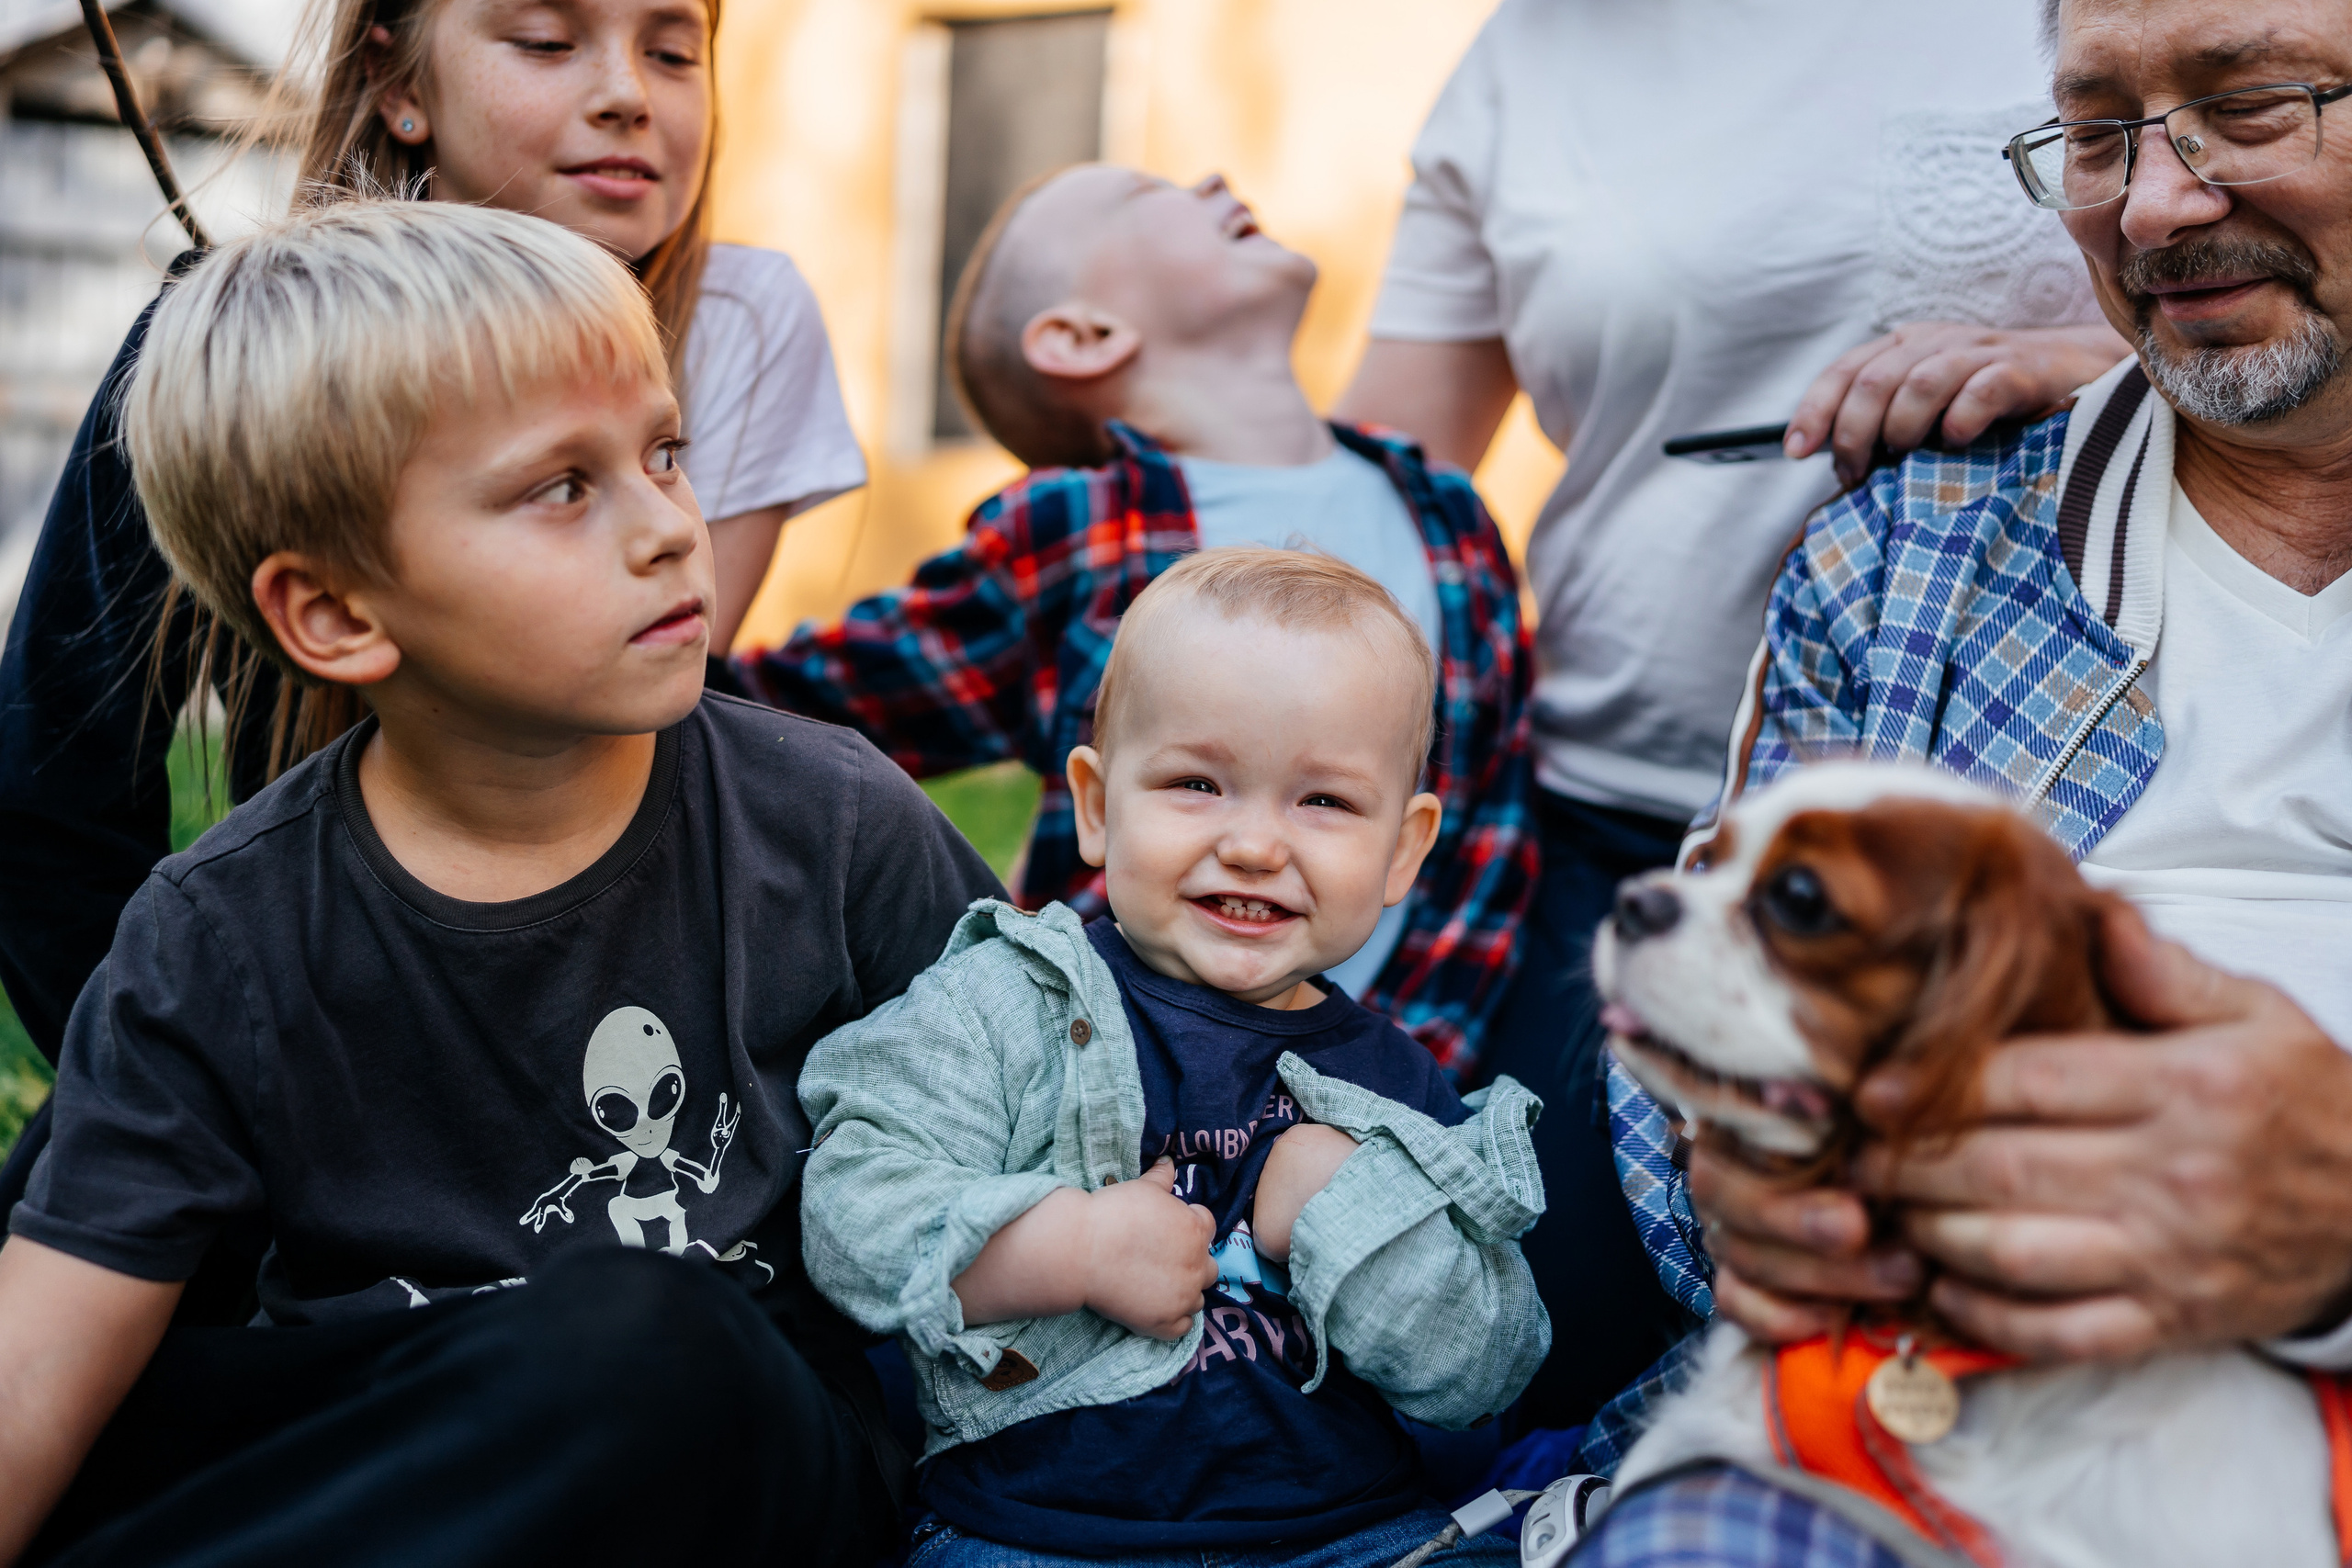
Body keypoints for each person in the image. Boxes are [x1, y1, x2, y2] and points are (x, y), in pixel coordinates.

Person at [0, 200, 1000, 1565]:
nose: (667, 526)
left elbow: (1061, 1112)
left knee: (650, 1339)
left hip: (738, 1447)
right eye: (564, 488)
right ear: (342, 614)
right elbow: (44, 1357)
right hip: (421, 1458)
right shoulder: (217, 932)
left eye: (665, 452)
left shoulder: (826, 823)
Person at [1580, 0, 2352, 1555]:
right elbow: (1686, 1094)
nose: (2150, 203)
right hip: (1920, 1423)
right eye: (2094, 132)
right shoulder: (1913, 556)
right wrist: (1746, 1168)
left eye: (2252, 105)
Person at [1331, 0, 2136, 1429]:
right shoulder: (1528, 55)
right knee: (1501, 1351)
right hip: (1613, 818)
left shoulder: (2090, 21)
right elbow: (1377, 488)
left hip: (2028, 810)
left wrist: (2113, 378)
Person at [0, 0, 861, 1069]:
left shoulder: (742, 316)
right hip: (311, 1021)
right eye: (546, 42)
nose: (628, 93)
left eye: (675, 51)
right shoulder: (236, 355)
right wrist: (178, 1080)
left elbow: (678, 709)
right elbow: (54, 794)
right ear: (401, 86)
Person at [797, 547, 1547, 1566]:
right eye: (1198, 783)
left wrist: (1352, 1213)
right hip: (1042, 1535)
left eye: (1321, 802)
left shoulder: (1397, 1088)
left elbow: (1488, 1369)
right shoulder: (1005, 1006)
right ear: (1098, 808)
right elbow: (852, 1208)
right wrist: (1068, 1248)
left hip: (1355, 1534)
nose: (1252, 845)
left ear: (1403, 850)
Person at [729, 165, 1535, 1077]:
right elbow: (802, 712)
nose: (1217, 181)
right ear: (1081, 336)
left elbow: (1493, 818)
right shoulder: (1073, 528)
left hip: (1404, 1081)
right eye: (1157, 198)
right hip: (1119, 1081)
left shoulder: (1449, 517)